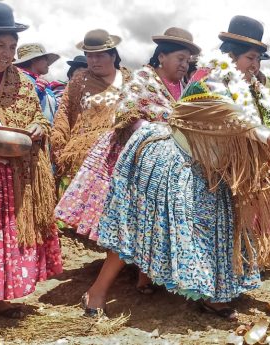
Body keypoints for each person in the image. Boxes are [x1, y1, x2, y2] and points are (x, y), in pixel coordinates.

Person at [82, 15, 270, 319]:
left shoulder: (252, 87)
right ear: (230, 56)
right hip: (174, 165)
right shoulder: (207, 79)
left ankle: (214, 295)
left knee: (219, 234)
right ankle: (96, 293)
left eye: (258, 59)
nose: (255, 65)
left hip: (213, 172)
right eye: (251, 57)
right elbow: (229, 119)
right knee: (134, 229)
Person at [55, 27, 200, 295]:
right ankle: (98, 292)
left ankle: (145, 276)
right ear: (162, 56)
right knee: (128, 223)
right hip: (130, 162)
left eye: (187, 60)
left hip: (167, 166)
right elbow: (128, 114)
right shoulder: (142, 80)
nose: (184, 64)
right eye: (180, 58)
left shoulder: (184, 86)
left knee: (151, 221)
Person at [0, 0, 62, 324]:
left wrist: (40, 127)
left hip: (12, 176)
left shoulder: (22, 83)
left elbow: (36, 115)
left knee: (2, 235)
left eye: (12, 46)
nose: (8, 53)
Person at [50, 29, 132, 206]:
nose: (94, 61)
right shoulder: (79, 81)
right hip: (80, 160)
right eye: (89, 56)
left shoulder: (130, 81)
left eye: (100, 55)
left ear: (113, 56)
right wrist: (59, 147)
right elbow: (64, 113)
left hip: (117, 161)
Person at [13, 43, 60, 123]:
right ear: (34, 60)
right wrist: (36, 90)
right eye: (45, 59)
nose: (48, 63)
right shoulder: (18, 79)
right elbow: (16, 106)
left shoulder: (46, 85)